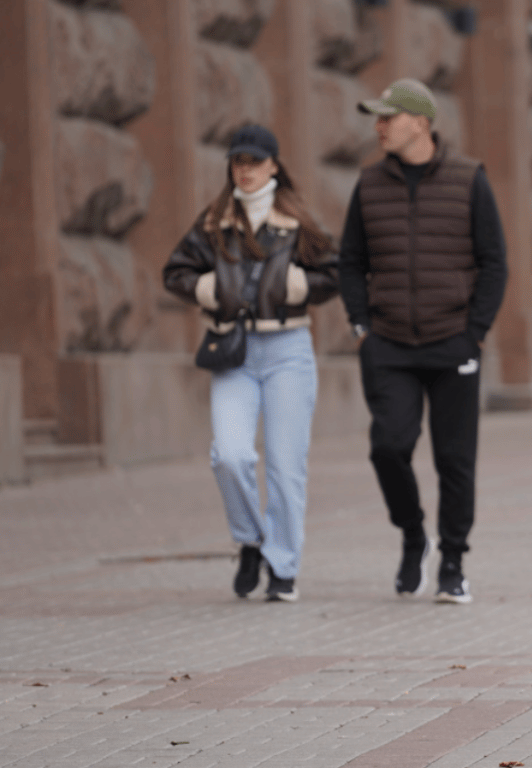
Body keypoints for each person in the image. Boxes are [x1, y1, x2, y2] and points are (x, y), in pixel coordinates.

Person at [337, 78, 508, 603]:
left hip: (452, 340)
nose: (378, 127)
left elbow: (494, 262)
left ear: (420, 123)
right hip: (388, 343)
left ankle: (452, 561)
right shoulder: (369, 184)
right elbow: (351, 261)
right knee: (388, 447)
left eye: (387, 117)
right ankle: (414, 535)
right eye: (377, 118)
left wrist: (474, 333)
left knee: (455, 461)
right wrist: (362, 326)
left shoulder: (469, 179)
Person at [163, 124, 340, 603]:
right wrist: (209, 289)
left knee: (285, 467)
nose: (245, 170)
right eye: (238, 162)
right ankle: (250, 540)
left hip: (287, 351)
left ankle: (283, 569)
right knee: (231, 455)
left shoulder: (295, 220)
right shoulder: (214, 222)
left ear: (274, 165)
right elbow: (175, 272)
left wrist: (295, 285)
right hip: (233, 351)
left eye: (254, 161)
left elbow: (336, 272)